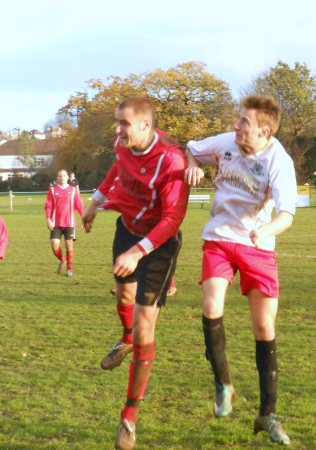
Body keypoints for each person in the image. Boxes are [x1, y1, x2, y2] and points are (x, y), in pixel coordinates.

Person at [185, 95, 296, 446]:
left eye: (244, 123)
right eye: (237, 121)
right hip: (219, 238)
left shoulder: (279, 160)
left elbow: (287, 214)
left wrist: (264, 231)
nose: (236, 126)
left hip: (257, 246)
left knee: (264, 326)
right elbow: (190, 149)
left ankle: (267, 413)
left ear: (263, 131)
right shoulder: (226, 142)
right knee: (211, 306)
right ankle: (224, 385)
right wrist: (193, 165)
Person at [81, 96, 190, 450]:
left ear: (146, 126)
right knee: (124, 298)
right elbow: (117, 169)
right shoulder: (121, 145)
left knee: (146, 327)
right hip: (127, 228)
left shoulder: (171, 162)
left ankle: (129, 417)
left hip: (159, 244)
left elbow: (173, 219)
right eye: (117, 122)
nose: (117, 129)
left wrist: (138, 251)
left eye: (124, 123)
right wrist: (96, 202)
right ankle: (125, 338)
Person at [44, 169, 84, 277]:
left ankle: (69, 269)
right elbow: (48, 205)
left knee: (69, 246)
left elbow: (78, 204)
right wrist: (48, 219)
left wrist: (83, 217)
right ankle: (62, 260)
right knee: (54, 244)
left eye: (64, 176)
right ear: (57, 178)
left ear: (67, 177)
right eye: (60, 176)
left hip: (69, 223)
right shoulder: (52, 190)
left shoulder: (73, 189)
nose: (62, 178)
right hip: (55, 223)